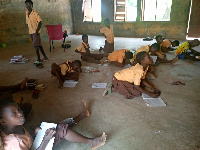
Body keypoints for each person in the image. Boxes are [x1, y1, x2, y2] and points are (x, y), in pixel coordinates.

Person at [0, 94, 107, 150]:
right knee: (60, 129)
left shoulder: (13, 127)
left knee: (53, 126)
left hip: (32, 143)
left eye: (18, 109)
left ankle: (82, 115)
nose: (20, 113)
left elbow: (26, 138)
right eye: (14, 113)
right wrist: (46, 140)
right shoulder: (14, 143)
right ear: (3, 121)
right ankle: (92, 143)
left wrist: (35, 130)